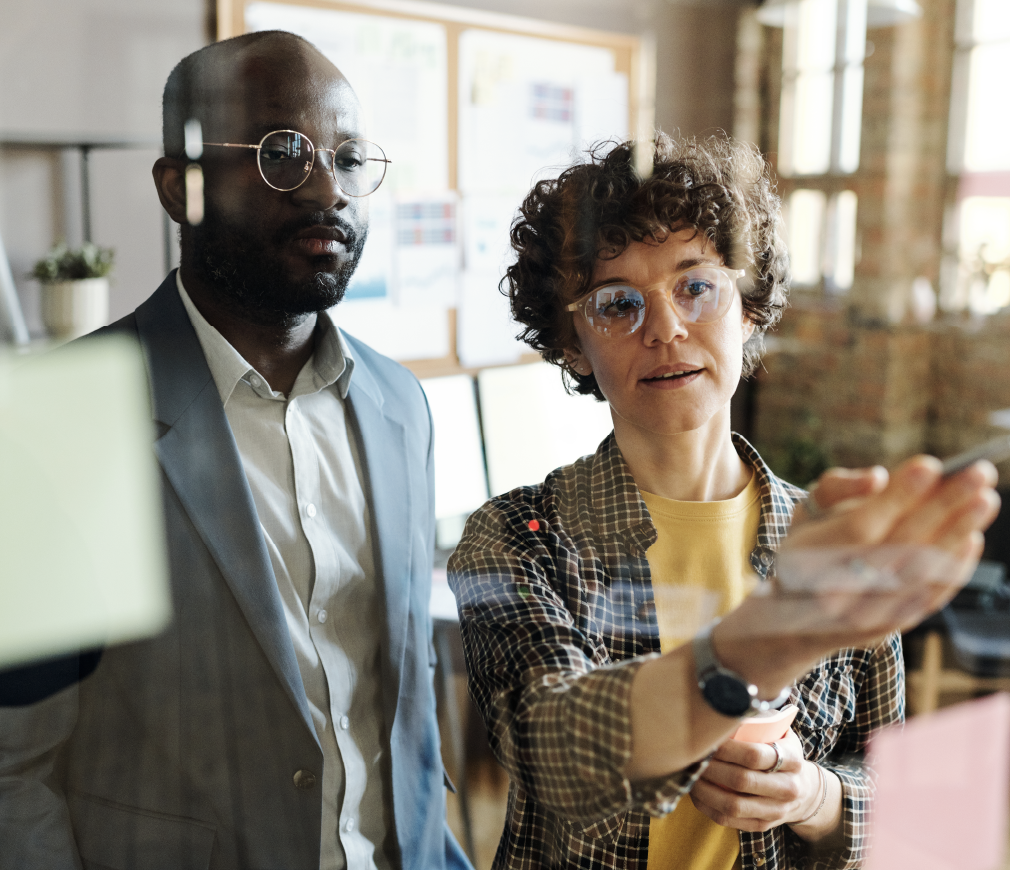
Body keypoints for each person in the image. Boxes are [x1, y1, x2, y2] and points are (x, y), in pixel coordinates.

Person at [447, 134, 999, 870]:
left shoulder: (827, 536)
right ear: (573, 343)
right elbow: (557, 751)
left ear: (746, 307)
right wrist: (771, 639)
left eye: (696, 285)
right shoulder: (520, 538)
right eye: (617, 303)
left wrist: (813, 797)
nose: (666, 327)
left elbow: (885, 788)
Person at [0, 31, 470, 870]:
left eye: (349, 156)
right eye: (283, 153)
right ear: (181, 189)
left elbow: (404, 718)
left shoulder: (401, 405)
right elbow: (13, 765)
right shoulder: (68, 415)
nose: (328, 188)